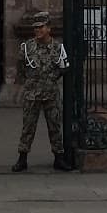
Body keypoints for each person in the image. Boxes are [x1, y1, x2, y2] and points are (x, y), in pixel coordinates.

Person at [14, 11, 73, 172]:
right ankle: (22, 159)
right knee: (28, 127)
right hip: (32, 94)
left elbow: (64, 67)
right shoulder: (27, 47)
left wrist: (51, 78)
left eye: (41, 27)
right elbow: (20, 68)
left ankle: (58, 158)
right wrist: (28, 83)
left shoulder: (58, 47)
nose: (38, 30)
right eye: (36, 27)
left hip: (51, 93)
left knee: (55, 126)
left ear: (49, 28)